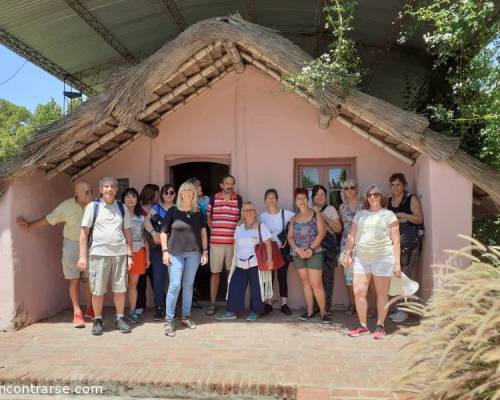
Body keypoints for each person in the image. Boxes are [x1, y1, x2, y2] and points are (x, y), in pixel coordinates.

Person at [16, 181, 94, 328]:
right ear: (77, 192)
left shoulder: (95, 206)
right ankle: (77, 313)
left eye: (91, 191)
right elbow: (49, 218)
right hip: (71, 245)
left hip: (91, 246)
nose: (90, 194)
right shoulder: (66, 206)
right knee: (74, 280)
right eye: (87, 192)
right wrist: (30, 224)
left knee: (91, 280)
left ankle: (91, 308)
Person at [79, 177, 133, 336]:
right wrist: (83, 256)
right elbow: (84, 232)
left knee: (120, 288)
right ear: (101, 189)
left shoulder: (122, 208)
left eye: (112, 186)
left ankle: (120, 318)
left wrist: (129, 255)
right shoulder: (92, 207)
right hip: (98, 254)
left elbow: (127, 232)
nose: (109, 189)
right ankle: (97, 319)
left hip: (120, 254)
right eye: (106, 186)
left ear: (116, 190)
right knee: (97, 290)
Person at [345, 184, 401, 340]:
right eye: (369, 195)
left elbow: (396, 241)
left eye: (376, 194)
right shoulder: (360, 215)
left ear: (381, 197)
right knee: (358, 292)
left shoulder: (389, 215)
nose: (372, 197)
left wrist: (397, 264)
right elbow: (352, 236)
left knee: (381, 293)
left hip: (383, 258)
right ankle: (363, 326)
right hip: (362, 258)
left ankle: (380, 325)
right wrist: (348, 253)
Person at [160, 181, 208, 336]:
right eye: (184, 190)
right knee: (175, 285)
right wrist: (165, 251)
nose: (187, 192)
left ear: (194, 193)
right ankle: (169, 321)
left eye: (190, 190)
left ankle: (185, 317)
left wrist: (205, 252)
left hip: (194, 253)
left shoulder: (198, 212)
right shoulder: (173, 211)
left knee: (188, 285)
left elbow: (203, 233)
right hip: (175, 253)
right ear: (180, 193)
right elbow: (163, 232)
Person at [216, 202, 274, 321]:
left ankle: (255, 311)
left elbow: (268, 244)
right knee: (235, 286)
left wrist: (270, 259)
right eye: (246, 210)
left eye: (251, 209)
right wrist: (234, 259)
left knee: (257, 289)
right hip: (240, 263)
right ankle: (232, 311)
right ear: (242, 213)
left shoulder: (261, 226)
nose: (249, 212)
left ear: (255, 212)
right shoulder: (239, 227)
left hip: (256, 264)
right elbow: (235, 244)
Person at [287, 188, 330, 323]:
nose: (301, 201)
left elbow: (321, 233)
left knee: (316, 283)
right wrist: (297, 250)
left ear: (308, 199)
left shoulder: (315, 214)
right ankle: (310, 311)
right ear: (295, 201)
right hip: (298, 254)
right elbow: (290, 237)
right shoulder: (293, 219)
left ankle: (323, 312)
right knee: (305, 283)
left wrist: (311, 249)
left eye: (304, 198)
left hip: (314, 253)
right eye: (298, 198)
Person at [387, 173, 424, 323]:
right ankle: (399, 309)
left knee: (406, 276)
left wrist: (403, 215)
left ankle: (405, 312)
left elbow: (419, 218)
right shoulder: (389, 202)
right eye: (393, 185)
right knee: (396, 277)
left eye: (398, 184)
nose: (395, 188)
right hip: (394, 245)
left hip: (410, 244)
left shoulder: (411, 199)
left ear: (404, 186)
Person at [206, 175, 243, 316]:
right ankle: (212, 304)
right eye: (227, 183)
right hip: (216, 243)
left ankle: (231, 304)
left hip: (233, 244)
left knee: (231, 274)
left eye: (232, 183)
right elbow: (208, 219)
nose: (229, 186)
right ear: (221, 185)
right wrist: (217, 230)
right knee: (215, 274)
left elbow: (240, 220)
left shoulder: (238, 199)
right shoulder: (213, 198)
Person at [259, 188, 295, 315]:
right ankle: (268, 303)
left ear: (277, 199)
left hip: (282, 250)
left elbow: (297, 219)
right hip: (268, 252)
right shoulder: (262, 216)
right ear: (265, 200)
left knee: (282, 277)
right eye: (268, 197)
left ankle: (284, 304)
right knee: (268, 278)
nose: (271, 200)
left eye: (273, 197)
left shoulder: (286, 214)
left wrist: (290, 232)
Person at [147, 183, 176, 320]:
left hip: (175, 248)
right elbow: (146, 222)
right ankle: (159, 307)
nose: (169, 195)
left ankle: (172, 308)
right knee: (158, 279)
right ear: (162, 195)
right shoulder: (156, 208)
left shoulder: (178, 209)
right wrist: (153, 233)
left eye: (171, 192)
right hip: (158, 248)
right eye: (166, 193)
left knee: (174, 280)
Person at [311, 184, 342, 313]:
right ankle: (316, 307)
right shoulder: (309, 210)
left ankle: (326, 309)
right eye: (317, 194)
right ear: (313, 197)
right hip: (314, 248)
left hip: (328, 248)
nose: (320, 197)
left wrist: (323, 216)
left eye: (322, 194)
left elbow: (338, 229)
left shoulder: (330, 209)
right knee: (314, 279)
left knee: (327, 279)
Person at [122, 188, 150, 324]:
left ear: (137, 200)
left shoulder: (141, 217)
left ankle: (132, 311)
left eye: (133, 196)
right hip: (120, 253)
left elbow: (145, 238)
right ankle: (119, 314)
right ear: (123, 199)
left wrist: (148, 257)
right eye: (127, 196)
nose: (130, 199)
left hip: (138, 253)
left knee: (133, 284)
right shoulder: (118, 215)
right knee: (120, 285)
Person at [338, 179, 364, 315]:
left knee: (365, 275)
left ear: (357, 189)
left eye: (352, 188)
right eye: (346, 188)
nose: (349, 191)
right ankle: (352, 304)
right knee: (348, 277)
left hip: (361, 243)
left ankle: (369, 305)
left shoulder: (363, 205)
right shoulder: (342, 207)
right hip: (346, 243)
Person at [136, 184, 160, 316]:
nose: (158, 195)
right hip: (140, 247)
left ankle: (159, 304)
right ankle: (140, 305)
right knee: (141, 278)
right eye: (157, 193)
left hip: (154, 248)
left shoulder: (155, 210)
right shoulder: (138, 209)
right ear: (152, 194)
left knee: (156, 278)